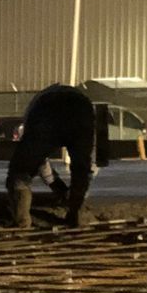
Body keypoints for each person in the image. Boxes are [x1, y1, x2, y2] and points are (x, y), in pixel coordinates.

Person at [8, 83, 103, 229]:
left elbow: (36, 159)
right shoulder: (87, 113)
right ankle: (75, 216)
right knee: (81, 169)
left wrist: (56, 187)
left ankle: (22, 223)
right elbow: (90, 164)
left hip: (47, 107)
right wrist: (73, 193)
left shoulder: (36, 110)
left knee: (20, 171)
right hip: (80, 108)